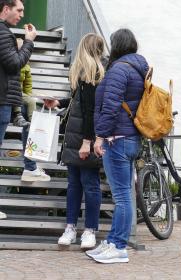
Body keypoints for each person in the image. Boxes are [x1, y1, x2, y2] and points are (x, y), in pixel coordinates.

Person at [88, 28, 148, 263]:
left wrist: (100, 136)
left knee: (122, 196)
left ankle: (119, 246)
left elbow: (111, 106)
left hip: (117, 140)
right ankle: (113, 240)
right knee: (123, 195)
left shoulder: (119, 70)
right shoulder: (139, 68)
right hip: (131, 138)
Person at [44, 34, 105, 249]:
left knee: (88, 184)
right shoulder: (84, 73)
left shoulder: (93, 73)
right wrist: (58, 102)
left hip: (83, 137)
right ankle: (73, 227)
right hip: (75, 136)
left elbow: (90, 111)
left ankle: (88, 230)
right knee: (76, 185)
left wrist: (87, 142)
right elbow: (79, 102)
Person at [0, 0, 41, 220]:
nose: (22, 15)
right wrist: (28, 42)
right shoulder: (4, 34)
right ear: (5, 9)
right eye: (19, 10)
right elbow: (15, 63)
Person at [12, 37, 35, 125]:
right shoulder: (11, 63)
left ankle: (32, 120)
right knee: (16, 94)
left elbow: (28, 84)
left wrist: (28, 95)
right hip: (11, 92)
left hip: (21, 93)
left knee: (32, 100)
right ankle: (18, 116)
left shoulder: (26, 67)